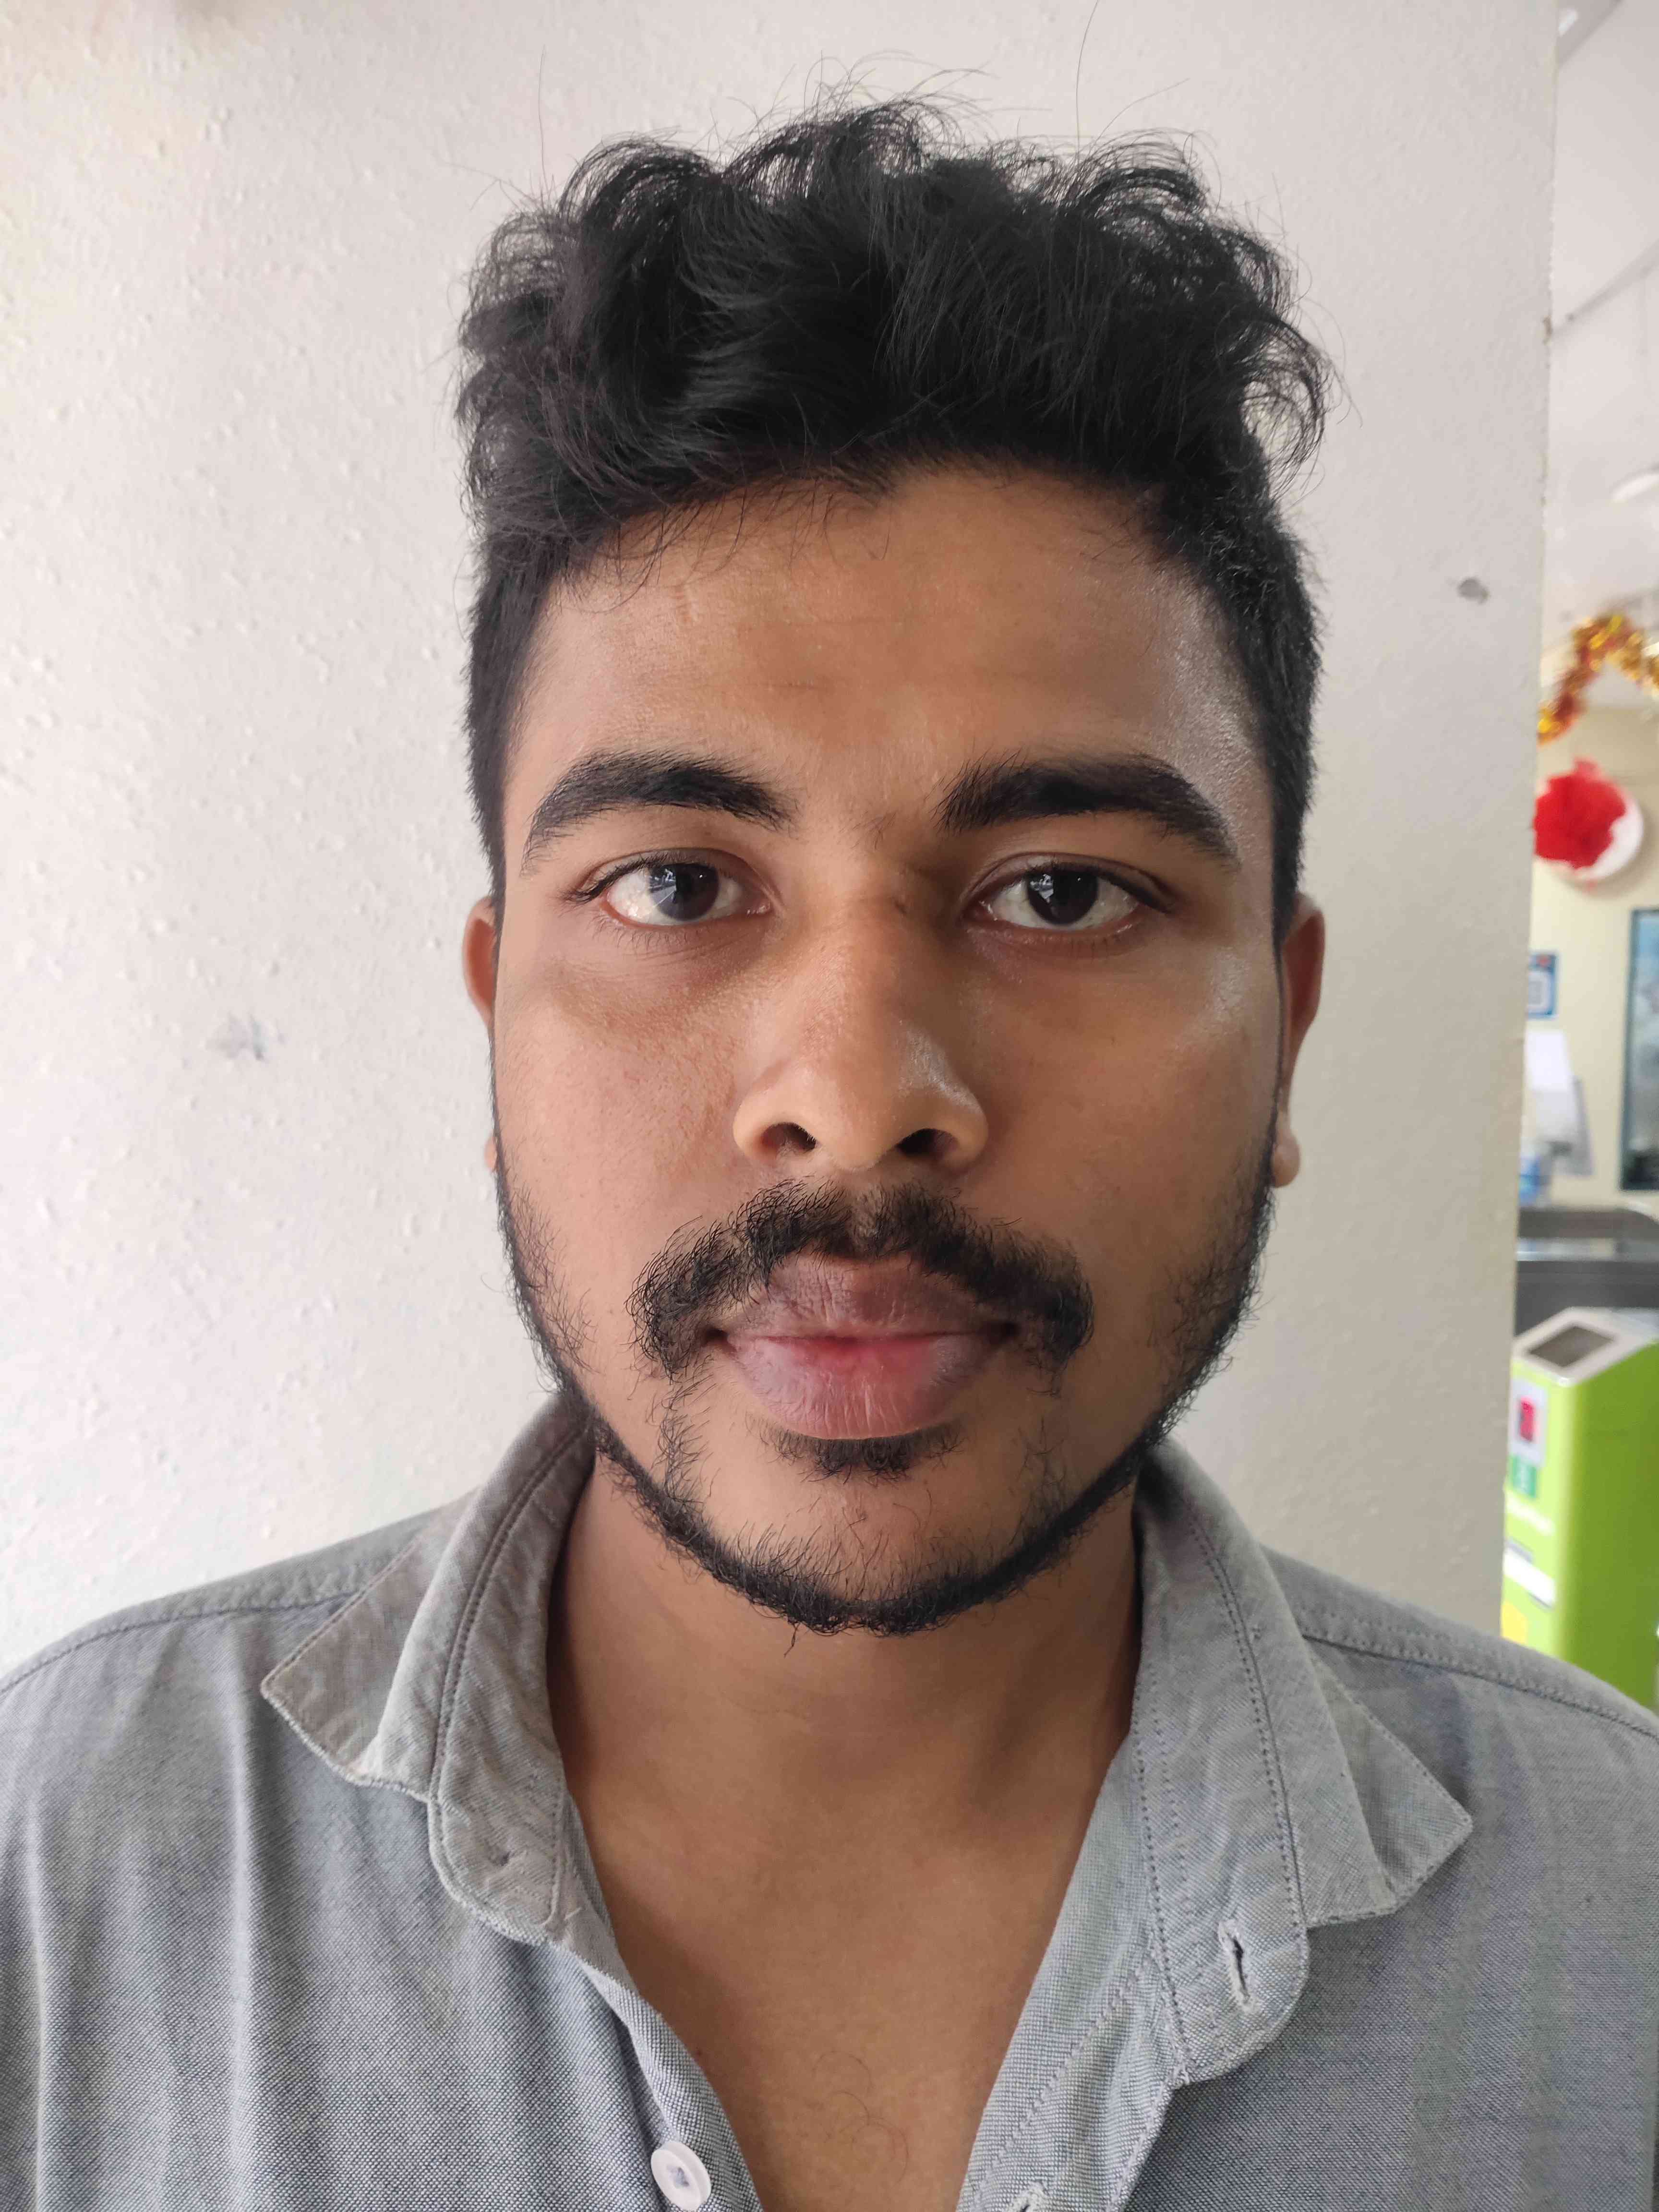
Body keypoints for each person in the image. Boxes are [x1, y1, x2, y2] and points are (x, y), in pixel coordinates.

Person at [4, 96, 1657, 2212]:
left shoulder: (1617, 1923)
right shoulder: (60, 1872)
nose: (860, 1096)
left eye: (1063, 892)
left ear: (1288, 1019)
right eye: (678, 886)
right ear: (496, 1013)